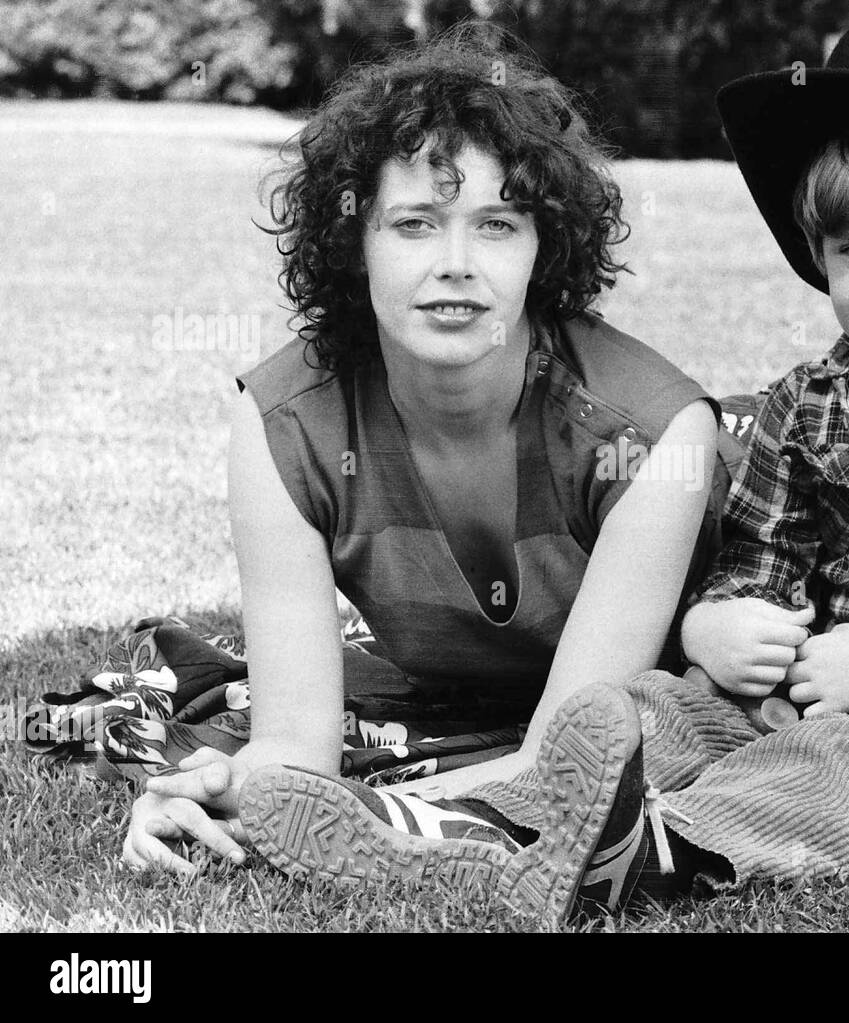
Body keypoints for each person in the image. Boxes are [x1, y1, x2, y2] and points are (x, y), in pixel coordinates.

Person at [239, 18, 849, 926]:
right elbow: (760, 555)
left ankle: (647, 857)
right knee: (654, 707)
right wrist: (722, 622)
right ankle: (461, 830)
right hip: (811, 693)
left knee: (848, 764)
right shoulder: (808, 402)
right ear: (819, 252)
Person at [106, 26, 728, 879]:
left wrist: (330, 815)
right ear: (354, 240)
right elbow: (295, 746)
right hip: (473, 705)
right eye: (415, 224)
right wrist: (200, 793)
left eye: (498, 225)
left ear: (545, 247)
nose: (457, 265)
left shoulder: (652, 436)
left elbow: (559, 766)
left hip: (686, 676)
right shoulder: (284, 424)